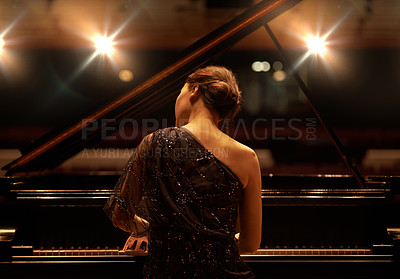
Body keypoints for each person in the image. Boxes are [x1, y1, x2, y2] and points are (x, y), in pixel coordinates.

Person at [104, 65, 262, 278]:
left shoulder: (153, 144)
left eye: (180, 91)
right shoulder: (247, 157)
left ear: (195, 90)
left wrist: (157, 231)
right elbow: (251, 243)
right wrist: (211, 243)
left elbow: (121, 215)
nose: (176, 100)